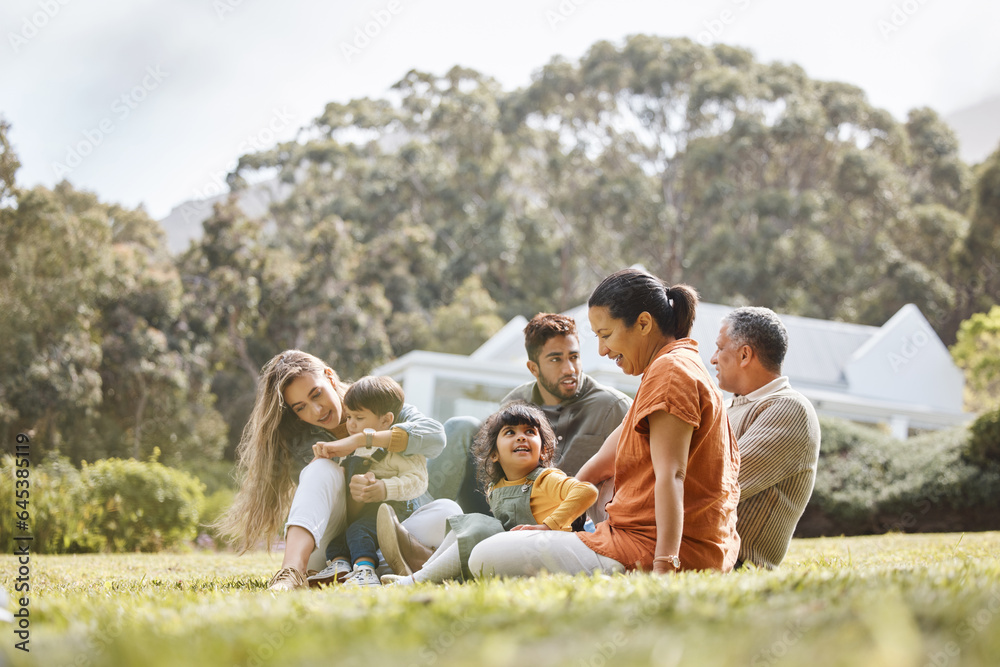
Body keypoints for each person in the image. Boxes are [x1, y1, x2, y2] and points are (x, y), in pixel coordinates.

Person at [467, 268, 741, 577]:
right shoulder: (671, 366)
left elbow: (673, 475)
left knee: (484, 557)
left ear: (643, 323)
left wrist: (664, 566)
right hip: (642, 535)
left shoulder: (670, 373)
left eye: (606, 335)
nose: (602, 350)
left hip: (653, 548)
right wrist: (553, 525)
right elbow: (600, 464)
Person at [213, 350, 462, 591]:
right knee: (321, 466)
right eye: (300, 407)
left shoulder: (381, 404)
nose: (316, 411)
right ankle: (292, 571)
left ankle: (373, 568)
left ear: (330, 377)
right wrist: (357, 489)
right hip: (335, 545)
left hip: (390, 530)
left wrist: (361, 440)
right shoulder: (304, 442)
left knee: (449, 512)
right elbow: (332, 510)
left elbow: (435, 437)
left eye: (317, 394)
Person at [429, 313, 631, 516]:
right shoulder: (514, 402)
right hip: (508, 509)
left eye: (574, 357)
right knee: (461, 426)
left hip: (570, 520)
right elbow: (491, 466)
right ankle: (418, 519)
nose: (569, 369)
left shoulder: (614, 408)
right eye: (556, 359)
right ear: (533, 368)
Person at [379, 402, 597, 586]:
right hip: (518, 550)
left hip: (548, 548)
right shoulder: (497, 487)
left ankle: (416, 581)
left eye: (529, 432)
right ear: (494, 454)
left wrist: (549, 525)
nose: (521, 437)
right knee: (468, 523)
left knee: (483, 527)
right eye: (510, 432)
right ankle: (423, 571)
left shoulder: (546, 478)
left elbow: (586, 491)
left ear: (544, 450)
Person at [710, 307, 821, 570]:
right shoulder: (727, 406)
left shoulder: (789, 409)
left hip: (731, 564)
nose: (713, 358)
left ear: (745, 354)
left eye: (719, 348)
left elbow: (717, 486)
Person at [306, 376, 429, 588]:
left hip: (394, 510)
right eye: (349, 416)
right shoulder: (353, 448)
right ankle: (340, 566)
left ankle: (365, 571)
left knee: (358, 532)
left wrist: (384, 488)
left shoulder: (402, 449)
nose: (351, 425)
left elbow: (418, 481)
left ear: (385, 420)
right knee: (340, 538)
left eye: (359, 418)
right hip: (364, 512)